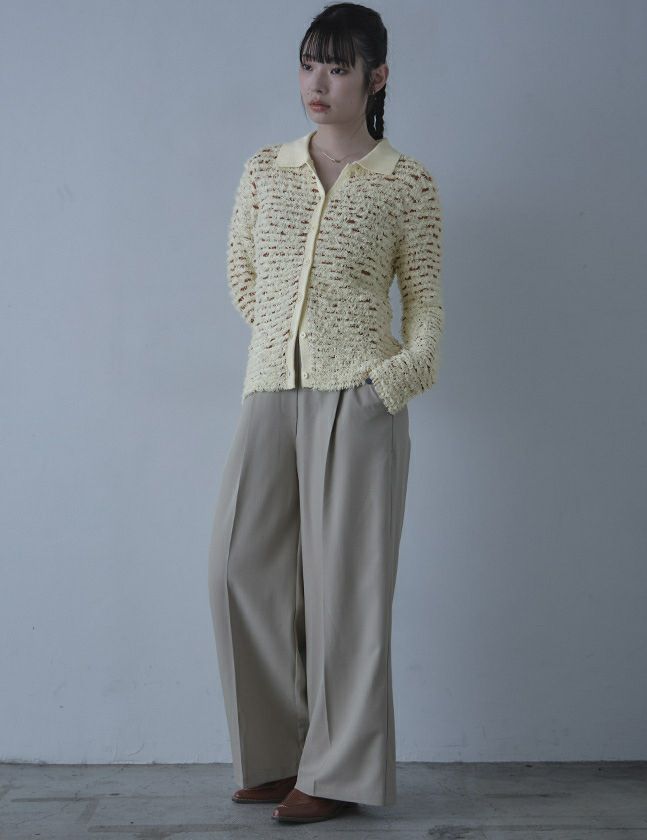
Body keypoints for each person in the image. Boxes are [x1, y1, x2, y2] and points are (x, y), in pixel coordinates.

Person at [208, 1, 443, 825]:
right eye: (310, 64)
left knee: (349, 594)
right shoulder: (264, 169)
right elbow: (243, 273)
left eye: (339, 68)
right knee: (238, 568)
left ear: (377, 78)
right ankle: (278, 757)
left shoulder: (406, 183)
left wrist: (391, 382)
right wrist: (287, 339)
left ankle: (337, 774)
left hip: (362, 399)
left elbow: (426, 305)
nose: (319, 82)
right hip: (271, 390)